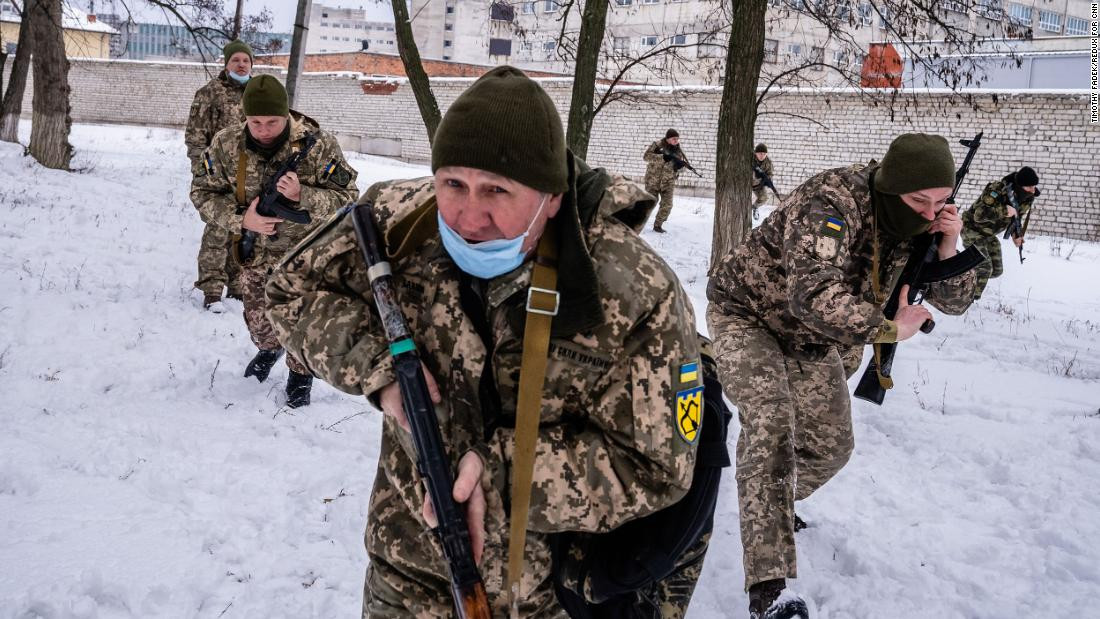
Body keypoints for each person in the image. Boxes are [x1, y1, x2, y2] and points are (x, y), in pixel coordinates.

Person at [266, 66, 707, 617]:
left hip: (546, 591)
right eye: (453, 184)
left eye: (498, 190)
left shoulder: (635, 289)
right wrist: (379, 371)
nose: (470, 216)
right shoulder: (397, 222)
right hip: (407, 566)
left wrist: (502, 474)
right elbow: (289, 290)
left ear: (550, 196)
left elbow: (654, 464)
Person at [706, 133, 977, 617]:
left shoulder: (929, 223)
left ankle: (768, 503)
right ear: (890, 188)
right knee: (771, 425)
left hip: (813, 339)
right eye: (918, 201)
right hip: (748, 316)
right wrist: (890, 328)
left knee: (832, 447)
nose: (928, 212)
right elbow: (810, 295)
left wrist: (950, 242)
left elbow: (954, 301)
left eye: (941, 202)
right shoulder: (833, 201)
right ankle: (769, 590)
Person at [190, 75, 358, 408]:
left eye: (273, 121)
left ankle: (300, 375)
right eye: (256, 122)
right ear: (244, 116)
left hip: (307, 259)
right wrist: (242, 220)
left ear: (287, 115)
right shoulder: (226, 145)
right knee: (262, 331)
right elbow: (202, 193)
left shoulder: (318, 144)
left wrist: (303, 195)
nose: (264, 129)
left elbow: (349, 197)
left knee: (303, 328)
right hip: (256, 258)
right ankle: (269, 349)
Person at [185, 39, 254, 311]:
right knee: (218, 230)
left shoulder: (258, 94)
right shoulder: (210, 93)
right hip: (218, 174)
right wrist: (202, 170)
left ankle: (237, 286)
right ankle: (212, 289)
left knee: (243, 230)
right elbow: (195, 136)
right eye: (236, 60)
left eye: (246, 60)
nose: (241, 64)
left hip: (249, 175)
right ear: (226, 63)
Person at [961, 166, 1040, 299]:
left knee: (996, 270)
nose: (1033, 190)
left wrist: (1016, 235)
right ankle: (967, 299)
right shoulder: (997, 189)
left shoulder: (1027, 197)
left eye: (1034, 186)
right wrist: (1004, 210)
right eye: (1029, 187)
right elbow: (979, 215)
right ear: (1020, 185)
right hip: (972, 229)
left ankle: (961, 271)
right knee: (985, 268)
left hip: (988, 234)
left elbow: (1017, 218)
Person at [643, 129, 690, 233]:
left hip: (668, 182)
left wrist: (680, 167)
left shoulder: (678, 150)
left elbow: (682, 168)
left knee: (667, 205)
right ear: (668, 138)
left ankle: (658, 225)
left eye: (677, 139)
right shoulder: (657, 145)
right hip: (653, 181)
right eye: (674, 139)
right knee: (648, 203)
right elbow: (646, 157)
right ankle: (637, 222)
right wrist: (662, 157)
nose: (676, 141)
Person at [752, 143, 775, 217]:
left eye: (764, 154)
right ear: (756, 153)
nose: (762, 156)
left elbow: (770, 174)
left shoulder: (768, 163)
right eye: (760, 154)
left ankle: (754, 208)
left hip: (758, 184)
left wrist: (766, 181)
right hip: (746, 182)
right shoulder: (750, 159)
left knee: (764, 198)